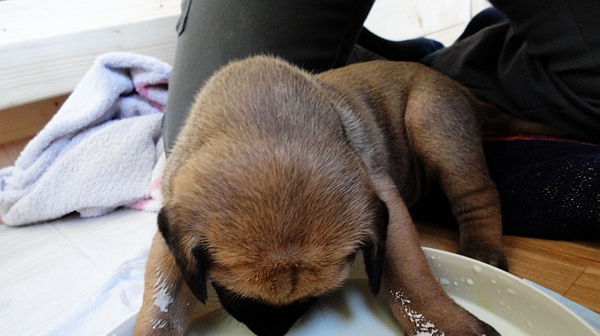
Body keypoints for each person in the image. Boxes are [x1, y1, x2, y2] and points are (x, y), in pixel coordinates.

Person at [163, 0, 599, 240]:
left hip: (425, 101)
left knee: (440, 110)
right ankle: (389, 69)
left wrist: (476, 218)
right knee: (203, 151)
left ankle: (430, 79)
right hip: (385, 87)